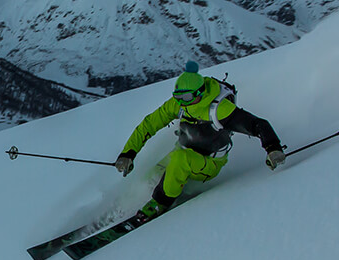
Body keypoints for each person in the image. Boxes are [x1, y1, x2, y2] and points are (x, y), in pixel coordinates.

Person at [113, 62, 285, 217]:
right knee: (153, 175)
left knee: (180, 160)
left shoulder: (220, 109)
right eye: (177, 97)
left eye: (186, 98)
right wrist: (128, 153)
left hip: (209, 163)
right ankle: (125, 207)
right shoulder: (179, 104)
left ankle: (159, 203)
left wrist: (273, 148)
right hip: (182, 150)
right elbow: (149, 124)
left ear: (199, 93)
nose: (181, 102)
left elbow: (257, 124)